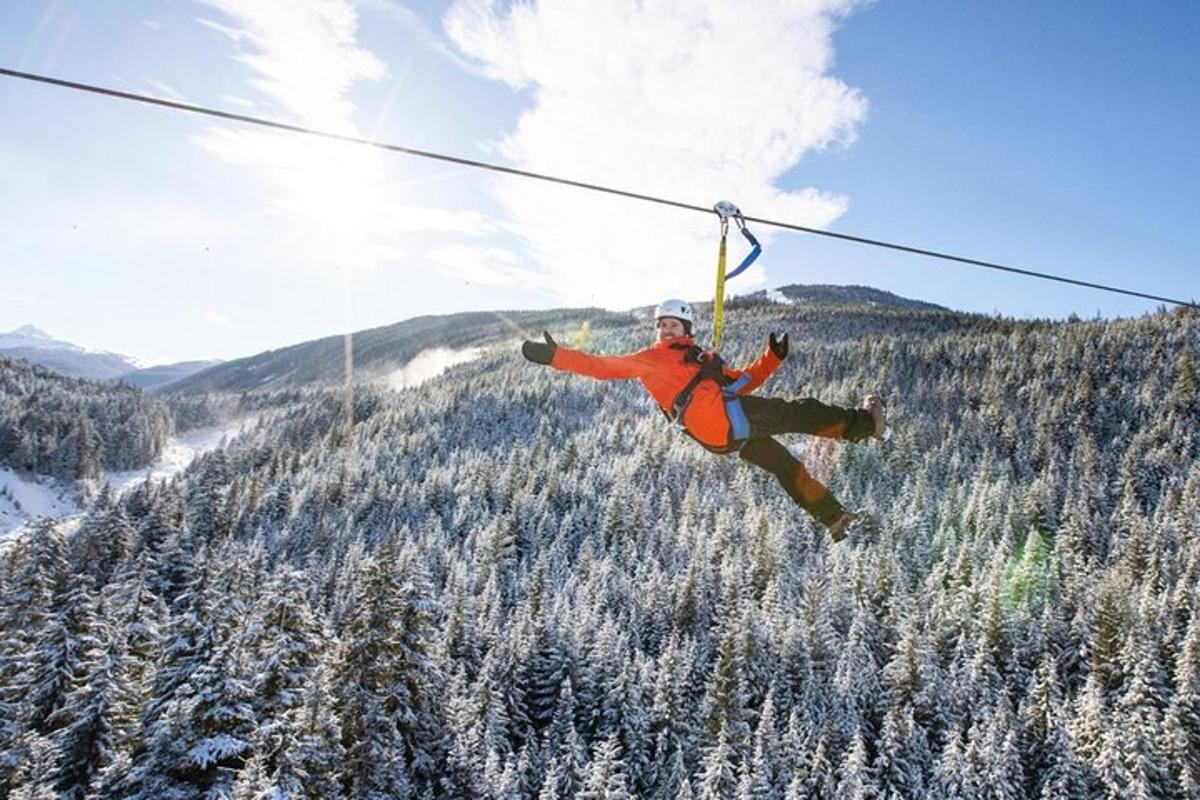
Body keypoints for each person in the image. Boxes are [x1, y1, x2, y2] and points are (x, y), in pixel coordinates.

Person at [521, 299, 886, 540]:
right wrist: (556, 356)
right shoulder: (654, 359)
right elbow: (603, 367)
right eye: (661, 326)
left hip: (721, 436)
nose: (665, 331)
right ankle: (866, 425)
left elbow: (743, 381)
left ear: (687, 328)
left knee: (783, 464)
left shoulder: (703, 359)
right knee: (799, 411)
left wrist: (771, 358)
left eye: (672, 326)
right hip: (724, 421)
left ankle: (833, 518)